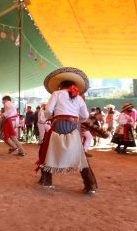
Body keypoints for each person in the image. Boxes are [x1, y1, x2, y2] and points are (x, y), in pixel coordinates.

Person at [36, 67, 97, 195]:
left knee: (45, 150)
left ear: (60, 86)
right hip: (74, 128)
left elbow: (48, 111)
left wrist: (47, 118)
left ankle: (46, 180)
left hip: (59, 125)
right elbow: (85, 116)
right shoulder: (79, 98)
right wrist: (75, 121)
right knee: (80, 155)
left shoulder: (56, 94)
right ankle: (90, 185)